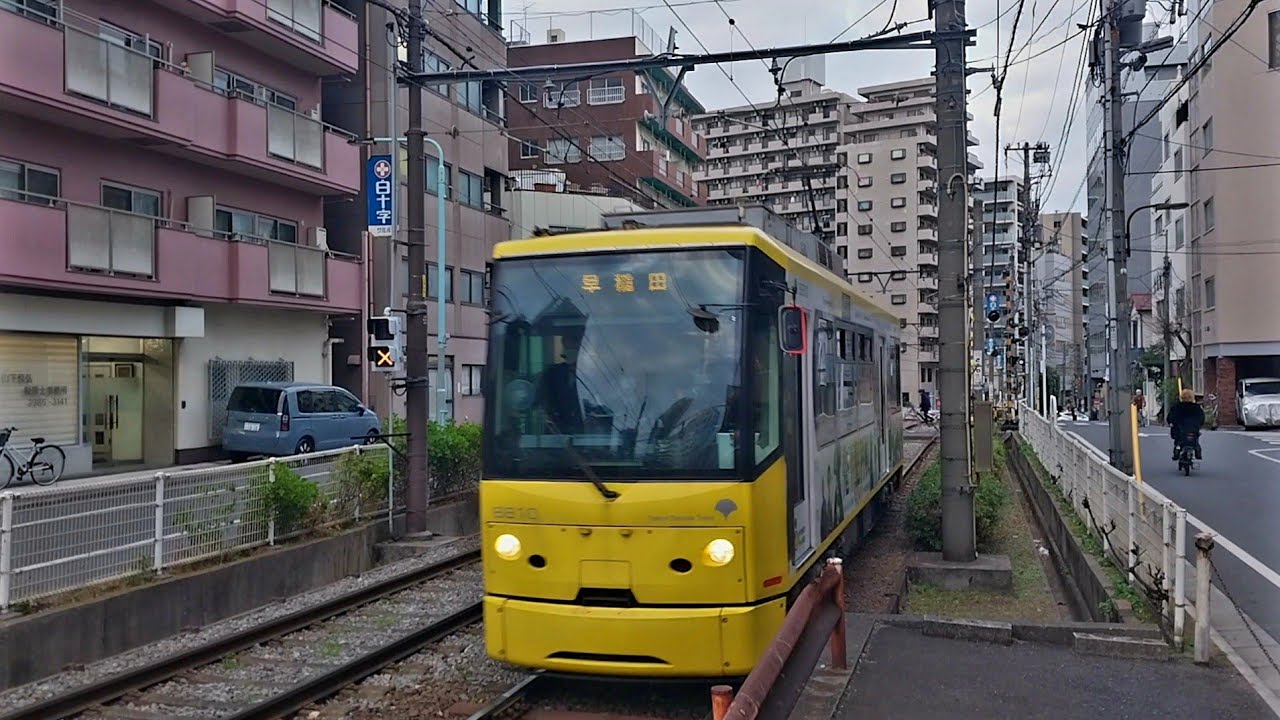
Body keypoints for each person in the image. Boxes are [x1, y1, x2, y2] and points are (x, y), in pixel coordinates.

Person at [1167, 389, 1205, 461]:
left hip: (1180, 429)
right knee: (1195, 440)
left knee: (1178, 439)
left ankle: (1177, 449)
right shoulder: (1196, 407)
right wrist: (1199, 425)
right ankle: (1197, 451)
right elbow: (1202, 417)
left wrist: (1171, 422)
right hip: (1193, 429)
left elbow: (1171, 417)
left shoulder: (1177, 407)